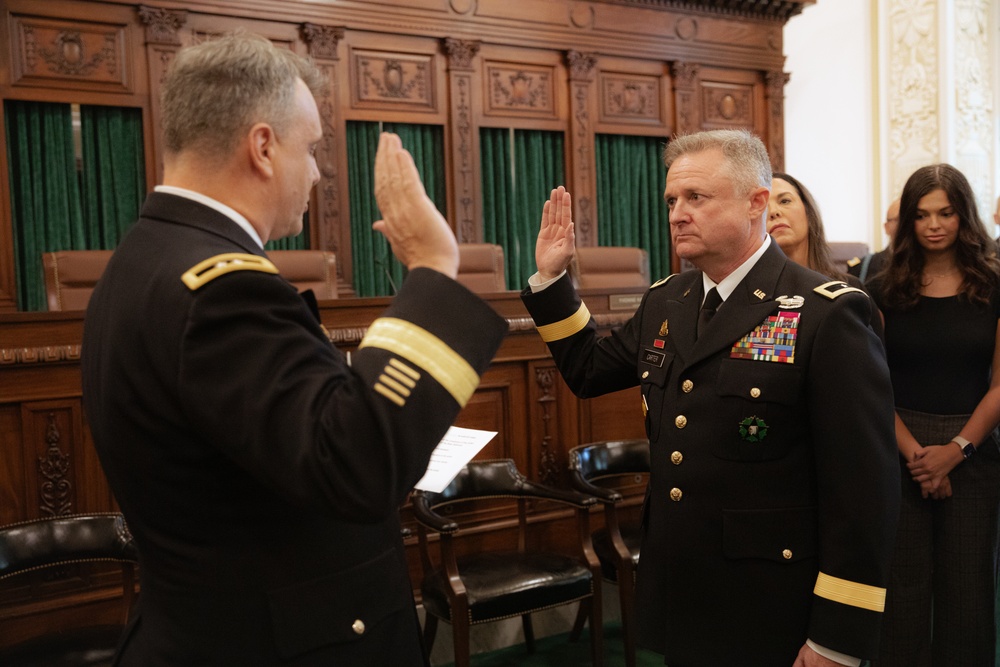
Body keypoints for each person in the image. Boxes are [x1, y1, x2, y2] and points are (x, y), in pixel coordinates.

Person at [80, 33, 507, 666]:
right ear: (261, 146)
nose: (316, 171)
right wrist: (433, 269)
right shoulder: (222, 287)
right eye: (309, 149)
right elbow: (356, 465)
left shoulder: (146, 257)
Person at [521, 129, 899, 667]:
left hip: (774, 605)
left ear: (757, 203)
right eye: (673, 200)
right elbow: (586, 370)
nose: (677, 213)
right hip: (686, 592)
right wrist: (553, 277)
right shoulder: (667, 301)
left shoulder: (825, 313)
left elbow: (865, 491)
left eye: (696, 198)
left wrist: (836, 636)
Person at [868, 164, 1000, 667]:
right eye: (921, 214)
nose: (934, 224)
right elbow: (874, 383)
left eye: (945, 212)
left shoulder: (994, 279)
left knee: (968, 593)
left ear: (964, 214)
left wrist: (955, 452)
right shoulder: (881, 280)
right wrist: (920, 458)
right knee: (899, 593)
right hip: (899, 444)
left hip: (974, 447)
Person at [767, 172, 884, 338]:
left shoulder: (849, 289)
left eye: (785, 201)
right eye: (763, 206)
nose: (774, 212)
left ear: (808, 211)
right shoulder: (752, 296)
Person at [847, 198, 900, 283]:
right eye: (899, 219)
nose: (905, 225)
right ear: (887, 227)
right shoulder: (864, 267)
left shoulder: (927, 266)